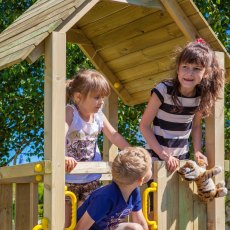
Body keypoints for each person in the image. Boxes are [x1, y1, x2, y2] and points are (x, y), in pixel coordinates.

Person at [140, 38, 224, 172]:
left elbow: (196, 125)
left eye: (196, 69)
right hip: (156, 156)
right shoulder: (163, 90)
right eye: (185, 67)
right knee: (154, 191)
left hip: (181, 157)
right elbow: (144, 125)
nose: (189, 73)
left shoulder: (200, 96)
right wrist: (163, 155)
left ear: (206, 73)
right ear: (178, 68)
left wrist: (197, 151)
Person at [65, 69, 130, 227]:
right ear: (78, 97)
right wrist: (62, 156)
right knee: (66, 223)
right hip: (68, 179)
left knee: (85, 223)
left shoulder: (99, 116)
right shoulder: (70, 112)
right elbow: (60, 132)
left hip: (91, 179)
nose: (101, 102)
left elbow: (113, 135)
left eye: (103, 97)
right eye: (96, 97)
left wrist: (130, 149)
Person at [75, 147, 151, 230]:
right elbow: (80, 228)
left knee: (136, 228)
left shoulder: (134, 192)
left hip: (107, 227)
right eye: (149, 169)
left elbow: (140, 222)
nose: (151, 170)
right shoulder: (105, 198)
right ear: (140, 180)